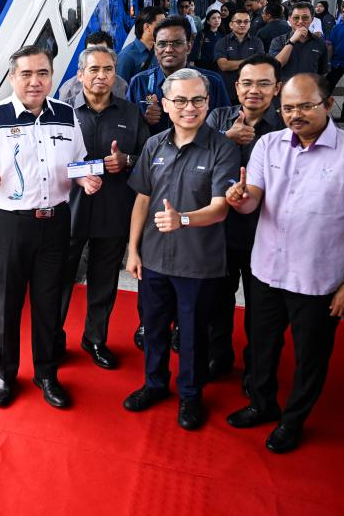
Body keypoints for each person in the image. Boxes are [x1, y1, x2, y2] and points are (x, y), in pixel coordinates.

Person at [225, 73, 344, 453]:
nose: (295, 115)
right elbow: (253, 200)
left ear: (328, 104)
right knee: (261, 346)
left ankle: (293, 421)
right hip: (266, 270)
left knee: (310, 356)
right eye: (287, 108)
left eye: (305, 106)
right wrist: (240, 199)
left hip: (319, 278)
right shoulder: (268, 144)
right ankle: (262, 404)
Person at [0, 45, 102, 409]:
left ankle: (46, 374)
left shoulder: (66, 115)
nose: (35, 81)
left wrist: (86, 179)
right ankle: (6, 375)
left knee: (48, 302)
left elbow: (77, 163)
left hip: (55, 222)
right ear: (13, 78)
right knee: (8, 304)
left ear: (52, 77)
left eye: (42, 73)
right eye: (26, 74)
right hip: (9, 225)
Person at [123, 68, 239, 431]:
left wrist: (183, 220)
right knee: (154, 327)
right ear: (166, 104)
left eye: (198, 100)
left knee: (191, 334)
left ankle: (190, 394)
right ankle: (154, 384)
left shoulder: (223, 148)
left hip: (198, 261)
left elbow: (220, 208)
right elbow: (142, 199)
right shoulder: (154, 145)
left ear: (208, 102)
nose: (190, 108)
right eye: (181, 100)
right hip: (154, 257)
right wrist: (133, 250)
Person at [57, 45, 149, 369]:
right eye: (94, 69)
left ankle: (95, 339)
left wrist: (127, 160)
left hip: (114, 211)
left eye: (108, 69)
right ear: (80, 74)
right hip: (69, 212)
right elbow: (48, 164)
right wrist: (82, 172)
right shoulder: (62, 113)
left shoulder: (131, 113)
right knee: (59, 281)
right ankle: (53, 340)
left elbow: (148, 160)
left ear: (115, 74)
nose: (101, 76)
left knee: (104, 281)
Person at [205, 55, 284, 390]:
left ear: (277, 88)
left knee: (262, 311)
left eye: (264, 84)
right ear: (236, 87)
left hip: (265, 235)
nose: (254, 90)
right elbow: (194, 157)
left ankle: (256, 371)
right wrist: (226, 137)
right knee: (217, 302)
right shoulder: (218, 118)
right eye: (247, 83)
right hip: (219, 232)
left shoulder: (285, 127)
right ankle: (218, 357)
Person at [128, 17, 232, 136]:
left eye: (177, 43)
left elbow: (226, 126)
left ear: (189, 47)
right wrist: (143, 121)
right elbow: (127, 130)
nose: (168, 49)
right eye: (162, 44)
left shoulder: (212, 82)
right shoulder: (139, 83)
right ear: (155, 49)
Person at [269, 2, 328, 81]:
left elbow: (322, 72)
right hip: (285, 87)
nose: (300, 21)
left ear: (312, 19)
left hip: (309, 87)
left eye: (305, 17)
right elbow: (276, 66)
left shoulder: (320, 43)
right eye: (296, 17)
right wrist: (292, 41)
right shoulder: (278, 41)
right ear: (289, 19)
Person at [214, 9, 264, 101]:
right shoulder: (222, 42)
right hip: (229, 91)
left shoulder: (257, 42)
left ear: (250, 24)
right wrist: (250, 61)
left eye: (246, 22)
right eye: (238, 22)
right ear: (231, 25)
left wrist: (233, 64)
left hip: (251, 91)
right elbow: (224, 65)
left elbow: (259, 64)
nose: (242, 25)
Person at [117, 6, 165, 82]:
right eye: (161, 24)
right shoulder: (126, 56)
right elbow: (120, 87)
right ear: (147, 27)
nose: (165, 28)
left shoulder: (158, 50)